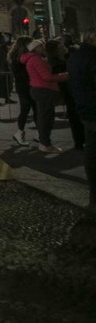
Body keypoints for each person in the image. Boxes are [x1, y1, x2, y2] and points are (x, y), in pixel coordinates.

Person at [66, 29, 96, 211]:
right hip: (92, 107)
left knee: (92, 153)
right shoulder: (91, 57)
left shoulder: (76, 56)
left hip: (85, 108)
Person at [22, 39, 68, 154]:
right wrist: (63, 76)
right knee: (46, 118)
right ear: (35, 49)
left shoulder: (33, 60)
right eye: (41, 47)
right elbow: (46, 77)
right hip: (43, 90)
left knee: (44, 117)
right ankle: (45, 143)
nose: (43, 49)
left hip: (40, 89)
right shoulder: (36, 60)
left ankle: (44, 142)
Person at [47, 39, 85, 150]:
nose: (62, 48)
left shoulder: (65, 57)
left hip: (70, 90)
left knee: (75, 116)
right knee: (76, 116)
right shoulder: (57, 62)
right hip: (69, 90)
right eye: (60, 47)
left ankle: (79, 141)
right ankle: (79, 141)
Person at [9, 35, 34, 145]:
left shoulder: (16, 57)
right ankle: (20, 132)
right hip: (25, 85)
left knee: (30, 108)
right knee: (26, 108)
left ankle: (21, 132)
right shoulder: (19, 58)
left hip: (24, 85)